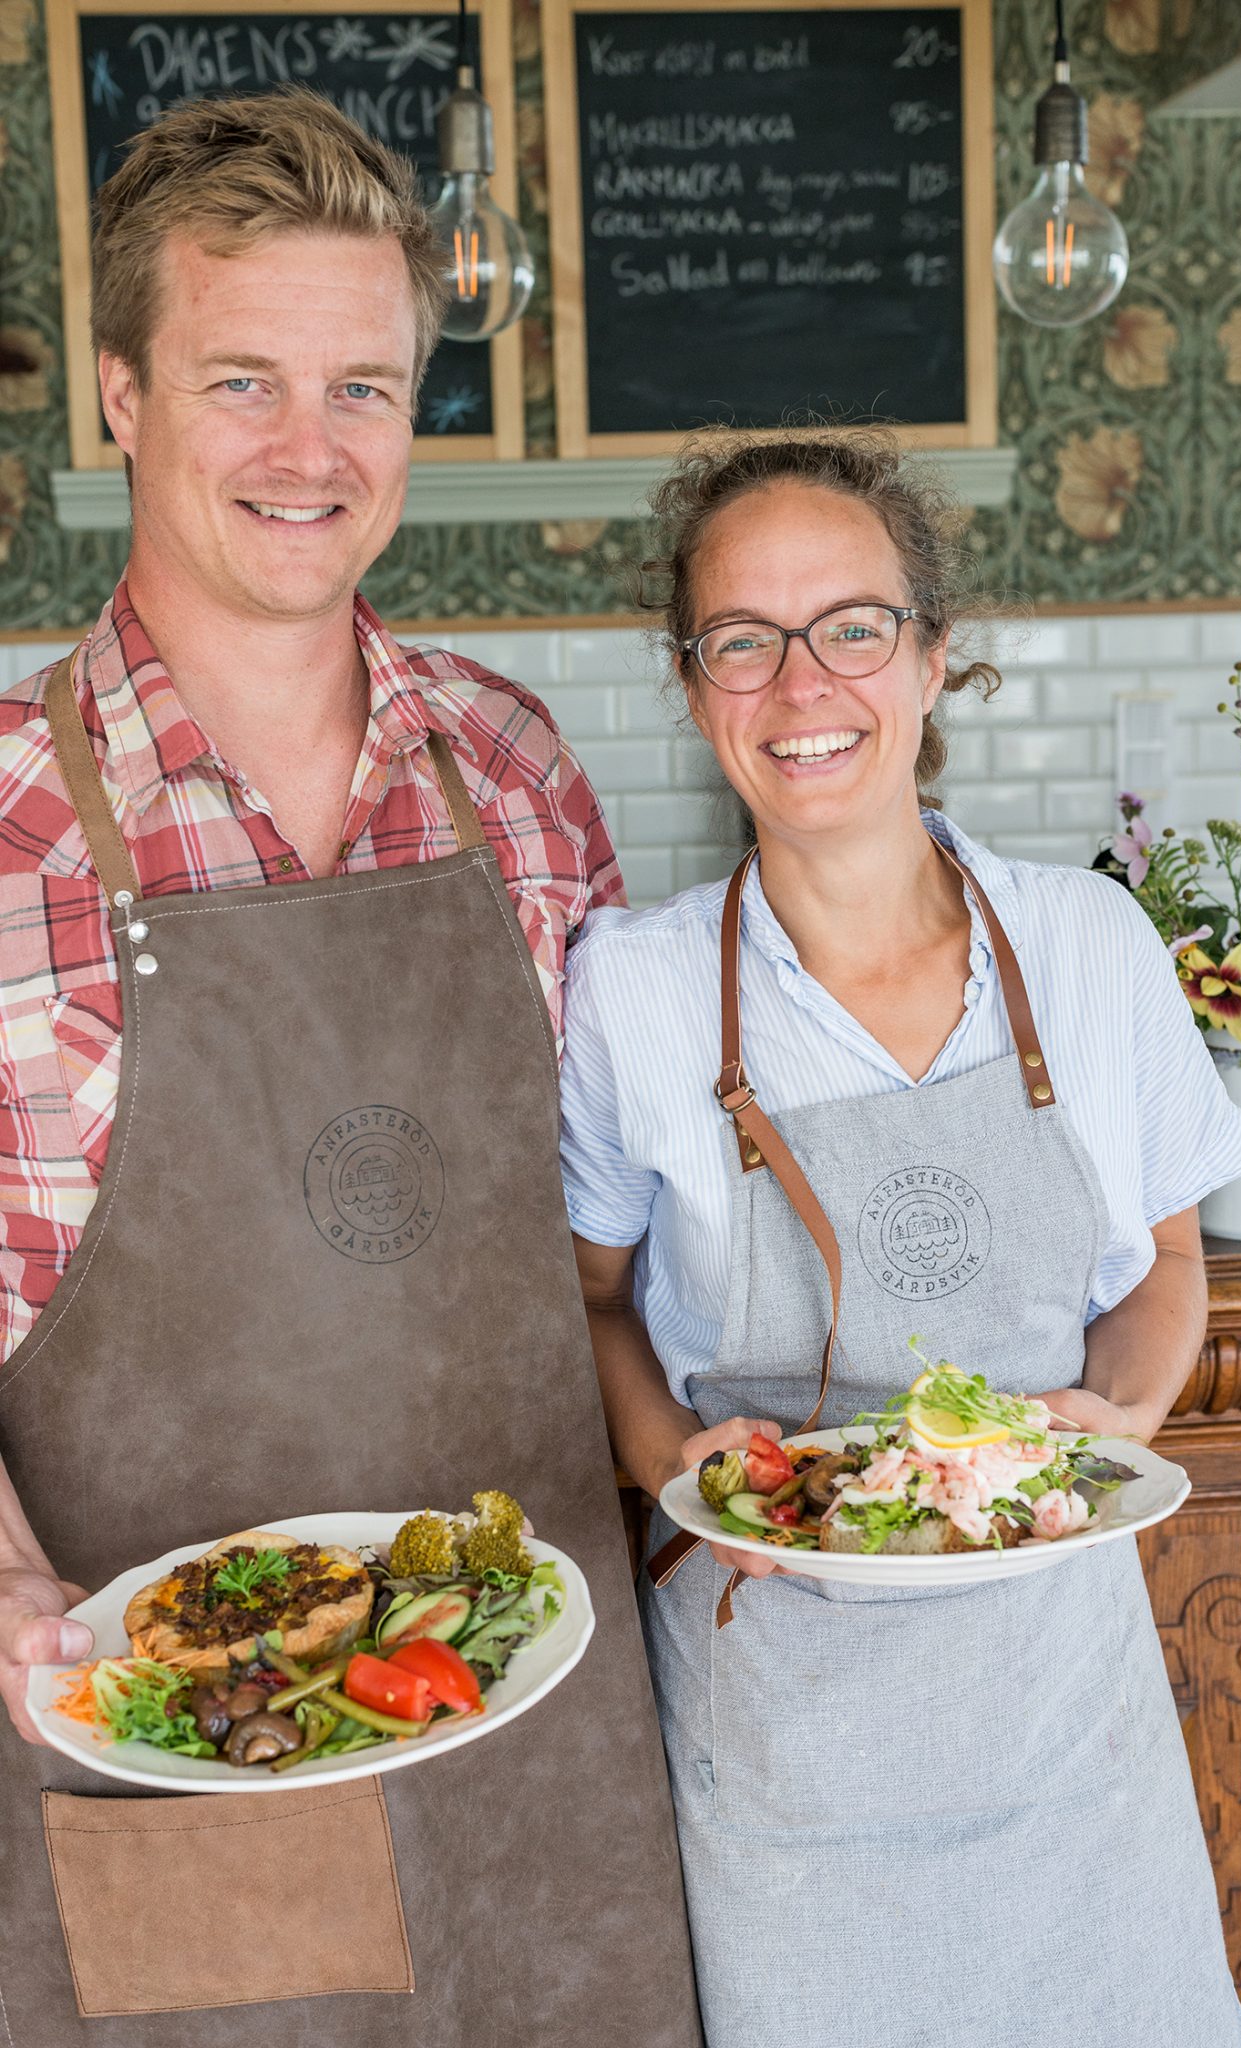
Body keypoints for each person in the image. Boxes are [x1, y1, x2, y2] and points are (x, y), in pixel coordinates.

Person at [0, 89, 699, 2047]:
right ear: (124, 397)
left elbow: (618, 1247)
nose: (311, 450)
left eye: (366, 388)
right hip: (177, 1791)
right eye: (243, 380)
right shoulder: (5, 837)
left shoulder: (522, 775)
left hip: (546, 1767)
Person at [562, 429, 1241, 2045]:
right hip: (779, 1728)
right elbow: (586, 1300)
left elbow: (1167, 1264)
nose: (802, 686)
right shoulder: (638, 992)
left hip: (1056, 1710)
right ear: (694, 684)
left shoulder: (1086, 945)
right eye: (743, 639)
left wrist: (1121, 1425)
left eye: (853, 628)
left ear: (937, 658)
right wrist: (678, 1458)